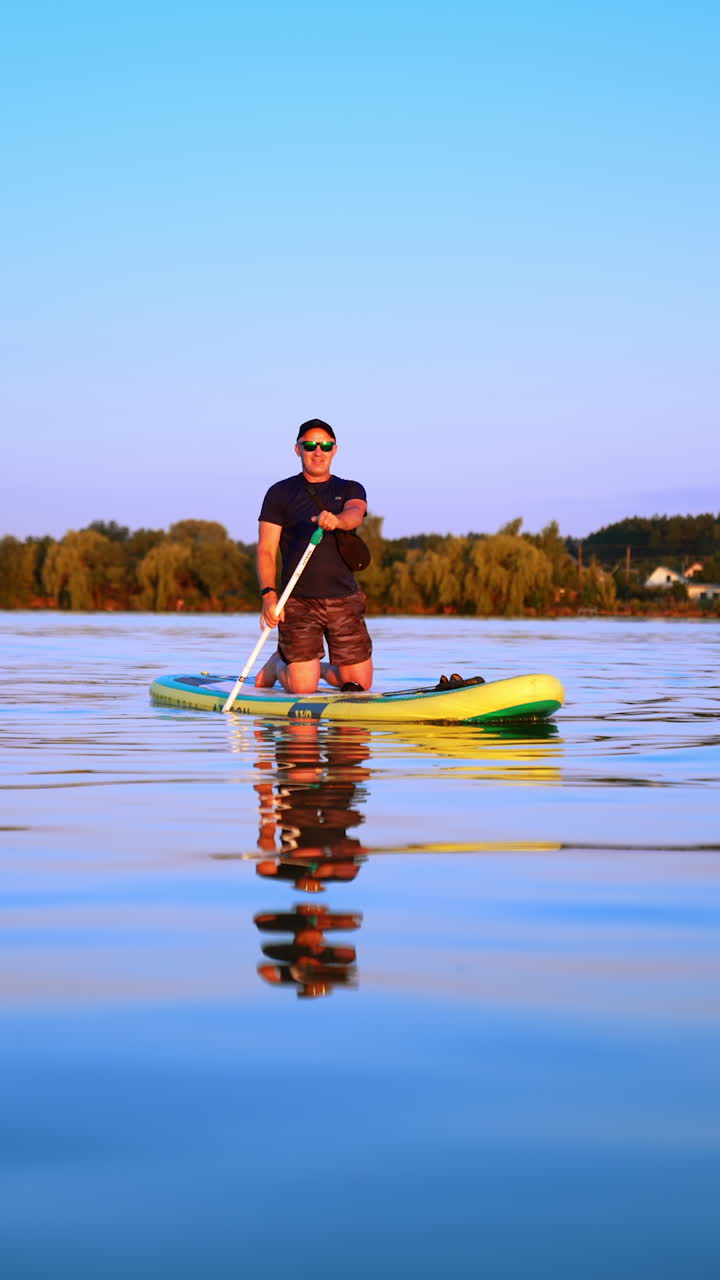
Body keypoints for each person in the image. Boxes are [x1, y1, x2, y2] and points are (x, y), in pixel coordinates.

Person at [255, 419, 373, 694]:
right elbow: (266, 549)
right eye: (310, 445)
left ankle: (312, 666)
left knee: (358, 684)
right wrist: (269, 596)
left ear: (335, 450)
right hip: (298, 602)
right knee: (302, 688)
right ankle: (279, 666)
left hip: (344, 599)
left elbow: (355, 513)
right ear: (298, 449)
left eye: (325, 445)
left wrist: (338, 520)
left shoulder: (350, 488)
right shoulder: (279, 493)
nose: (317, 451)